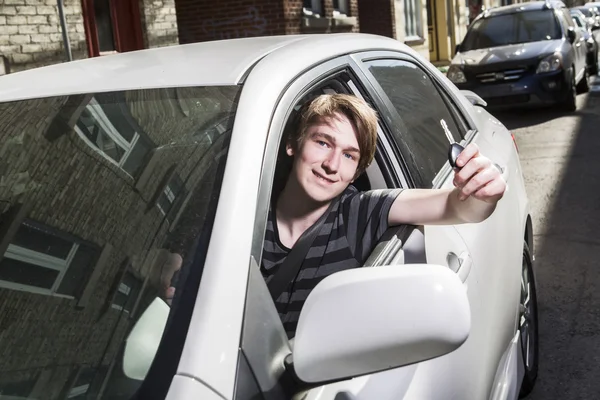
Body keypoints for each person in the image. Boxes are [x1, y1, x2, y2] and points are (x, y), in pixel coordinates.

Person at [163, 93, 506, 338]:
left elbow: (454, 206)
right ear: (293, 144)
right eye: (323, 143)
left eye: (349, 156)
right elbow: (173, 264)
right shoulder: (240, 215)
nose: (331, 165)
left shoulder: (357, 214)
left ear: (356, 172)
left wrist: (481, 193)